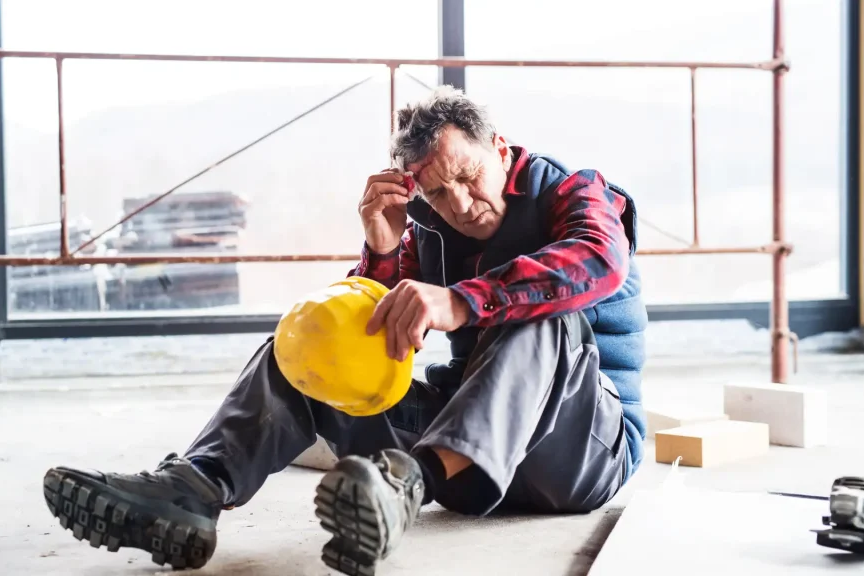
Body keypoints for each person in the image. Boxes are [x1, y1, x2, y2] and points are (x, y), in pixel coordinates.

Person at [42, 86, 648, 575]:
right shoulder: (430, 232)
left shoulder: (575, 192)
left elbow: (597, 259)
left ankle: (406, 485)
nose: (460, 202)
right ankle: (194, 490)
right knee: (308, 345)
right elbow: (369, 343)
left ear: (500, 147)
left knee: (540, 313)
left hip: (576, 456)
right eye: (437, 193)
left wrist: (463, 302)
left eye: (467, 174)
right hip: (465, 464)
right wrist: (382, 253)